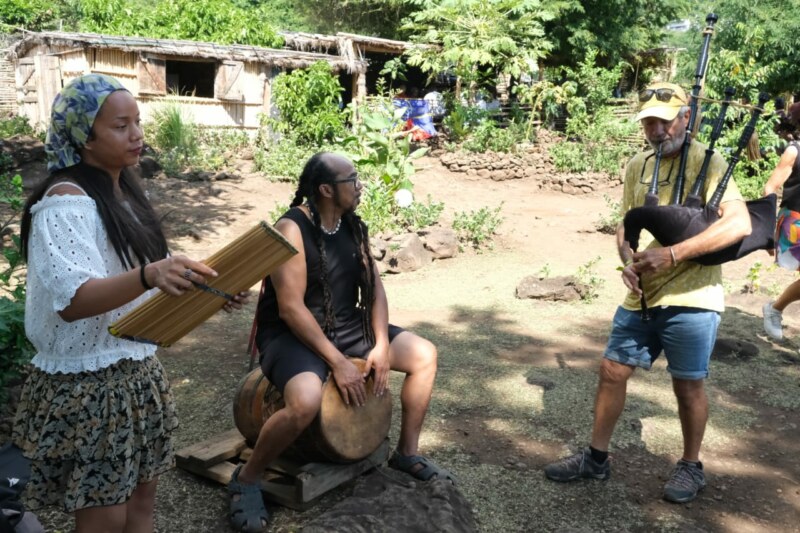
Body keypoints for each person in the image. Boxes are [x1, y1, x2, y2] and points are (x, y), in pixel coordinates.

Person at [11, 74, 248, 533]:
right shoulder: (65, 201)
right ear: (84, 137)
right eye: (121, 126)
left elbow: (140, 289)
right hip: (88, 388)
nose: (137, 134)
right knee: (104, 517)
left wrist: (209, 294)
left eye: (137, 122)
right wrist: (149, 273)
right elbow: (75, 300)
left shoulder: (124, 193)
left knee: (141, 505)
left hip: (137, 376)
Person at [543, 82, 752, 503]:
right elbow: (627, 223)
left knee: (687, 385)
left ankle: (691, 467)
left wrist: (672, 255)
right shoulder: (638, 165)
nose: (657, 130)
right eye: (649, 122)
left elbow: (740, 224)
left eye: (664, 120)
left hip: (693, 297)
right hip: (642, 296)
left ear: (686, 117)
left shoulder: (709, 163)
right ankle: (596, 458)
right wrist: (627, 258)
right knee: (611, 370)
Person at [227, 152, 453, 532]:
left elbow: (376, 290)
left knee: (424, 355)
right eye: (352, 179)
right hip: (293, 335)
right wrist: (338, 362)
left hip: (348, 325)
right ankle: (247, 478)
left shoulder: (353, 225)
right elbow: (290, 309)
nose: (359, 185)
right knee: (305, 401)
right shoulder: (292, 229)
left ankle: (407, 453)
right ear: (326, 189)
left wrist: (380, 343)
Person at [762, 141, 800, 339]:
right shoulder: (795, 151)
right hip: (796, 223)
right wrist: (768, 228)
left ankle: (775, 309)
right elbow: (770, 187)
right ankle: (775, 309)